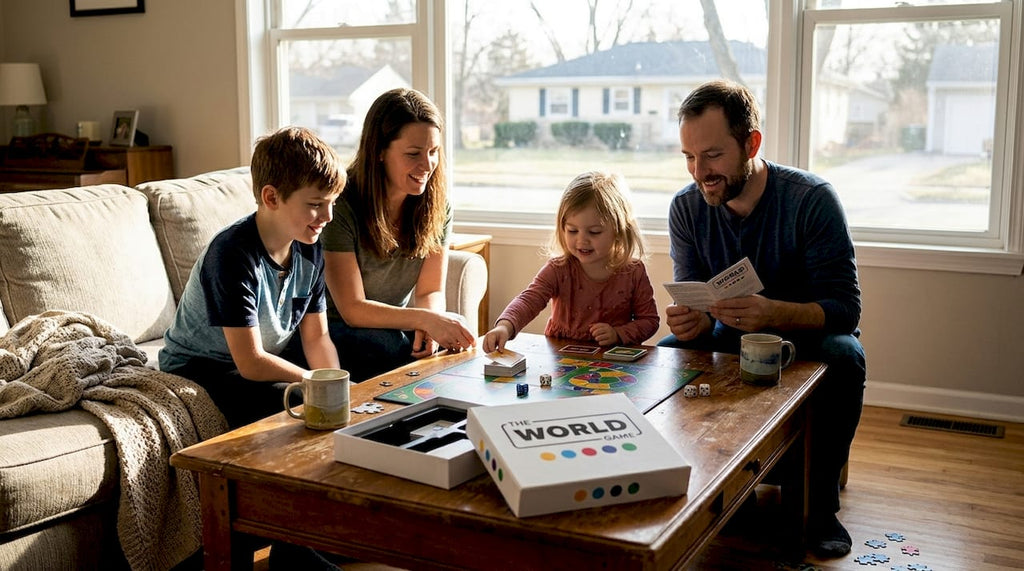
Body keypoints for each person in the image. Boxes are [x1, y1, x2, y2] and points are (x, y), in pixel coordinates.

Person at [657, 79, 866, 558]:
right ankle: (699, 484)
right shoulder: (686, 208)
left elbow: (846, 310)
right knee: (665, 356)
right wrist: (690, 324)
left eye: (712, 155)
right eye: (688, 157)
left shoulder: (811, 200)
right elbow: (695, 302)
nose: (699, 172)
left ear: (751, 143)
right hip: (728, 338)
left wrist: (775, 313)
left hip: (806, 343)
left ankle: (819, 506)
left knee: (846, 354)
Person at [159, 126, 344, 430]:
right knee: (298, 404)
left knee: (361, 369)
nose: (328, 217)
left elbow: (316, 336)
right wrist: (312, 383)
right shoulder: (232, 253)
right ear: (271, 197)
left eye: (332, 203)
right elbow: (250, 361)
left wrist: (333, 385)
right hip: (203, 369)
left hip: (260, 358)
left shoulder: (310, 248)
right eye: (315, 205)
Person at [322, 88, 476, 382]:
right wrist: (424, 319)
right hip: (336, 326)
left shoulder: (437, 205)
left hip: (393, 322)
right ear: (379, 151)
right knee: (388, 346)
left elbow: (430, 291)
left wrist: (431, 325)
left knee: (453, 340)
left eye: (434, 152)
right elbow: (352, 308)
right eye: (413, 154)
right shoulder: (341, 204)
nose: (427, 165)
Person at [483, 171, 659, 353]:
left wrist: (618, 334)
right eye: (572, 231)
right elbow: (529, 300)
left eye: (594, 232)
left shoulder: (633, 272)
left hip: (614, 365)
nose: (582, 240)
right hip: (562, 360)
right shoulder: (558, 269)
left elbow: (649, 321)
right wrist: (505, 326)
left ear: (619, 230)